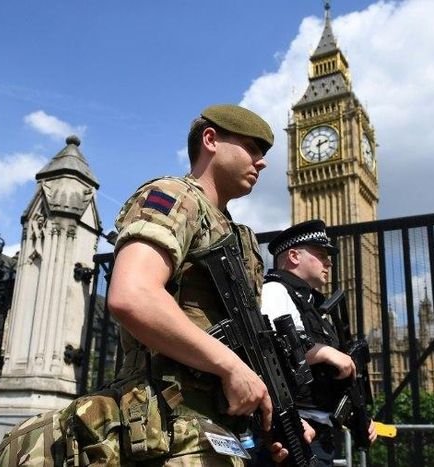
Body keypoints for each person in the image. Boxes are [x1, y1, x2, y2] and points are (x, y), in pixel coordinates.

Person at [107, 104, 309, 465]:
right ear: (211, 140)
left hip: (216, 433)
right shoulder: (174, 196)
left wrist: (279, 415)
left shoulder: (240, 237)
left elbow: (253, 349)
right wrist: (229, 365)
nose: (261, 162)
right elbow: (132, 295)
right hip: (164, 424)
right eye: (252, 148)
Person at [260, 220, 377, 466]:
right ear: (293, 256)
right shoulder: (275, 291)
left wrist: (358, 417)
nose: (329, 262)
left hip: (320, 434)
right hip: (295, 431)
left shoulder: (312, 305)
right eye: (321, 255)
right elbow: (269, 347)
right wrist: (325, 353)